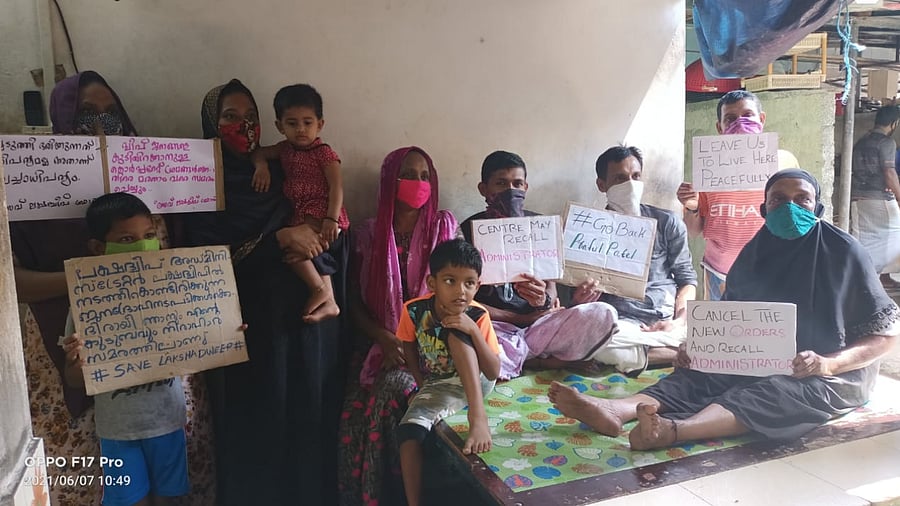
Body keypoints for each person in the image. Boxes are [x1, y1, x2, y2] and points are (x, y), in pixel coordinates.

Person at [550, 169, 900, 451]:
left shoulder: (844, 252)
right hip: (761, 359)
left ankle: (674, 430)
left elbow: (887, 337)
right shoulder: (753, 255)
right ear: (764, 209)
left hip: (831, 371)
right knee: (699, 374)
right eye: (779, 200)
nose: (790, 208)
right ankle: (616, 409)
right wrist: (701, 347)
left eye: (802, 200)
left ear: (818, 208)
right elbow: (732, 324)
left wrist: (829, 363)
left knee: (774, 392)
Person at [9, 71, 214, 506]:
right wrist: (95, 278)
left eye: (111, 113)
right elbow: (13, 281)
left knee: (171, 478)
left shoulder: (152, 179)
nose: (102, 125)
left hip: (158, 370)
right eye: (86, 114)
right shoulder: (29, 186)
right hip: (69, 349)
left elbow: (178, 268)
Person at [187, 79, 348, 505]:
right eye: (230, 117)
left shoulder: (284, 170)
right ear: (211, 123)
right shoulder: (199, 180)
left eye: (250, 118)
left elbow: (326, 225)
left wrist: (320, 270)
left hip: (307, 330)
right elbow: (201, 259)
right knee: (262, 426)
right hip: (251, 331)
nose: (243, 126)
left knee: (308, 424)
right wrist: (277, 239)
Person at [338, 147, 458, 506]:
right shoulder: (367, 234)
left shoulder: (443, 227)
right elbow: (352, 301)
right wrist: (384, 337)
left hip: (433, 343)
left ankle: (393, 497)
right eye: (408, 174)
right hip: (380, 341)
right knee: (352, 418)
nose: (418, 183)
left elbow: (459, 293)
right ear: (390, 180)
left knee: (390, 393)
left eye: (425, 176)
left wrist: (414, 342)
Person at [62, 193, 191, 506]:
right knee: (129, 501)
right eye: (127, 239)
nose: (144, 245)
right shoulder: (86, 305)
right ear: (98, 248)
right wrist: (76, 363)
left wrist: (224, 330)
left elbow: (201, 342)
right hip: (118, 431)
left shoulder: (173, 292)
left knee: (170, 499)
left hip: (168, 421)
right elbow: (74, 380)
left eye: (149, 235)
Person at [460, 150, 617, 378]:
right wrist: (520, 319)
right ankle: (542, 361)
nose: (510, 191)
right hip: (495, 327)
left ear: (525, 187)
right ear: (483, 189)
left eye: (517, 184)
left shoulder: (540, 226)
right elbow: (465, 301)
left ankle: (521, 356)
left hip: (539, 327)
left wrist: (542, 301)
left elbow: (551, 296)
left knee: (603, 314)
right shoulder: (467, 231)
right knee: (464, 335)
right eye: (501, 184)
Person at [574, 145, 698, 374]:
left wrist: (679, 320)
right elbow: (581, 297)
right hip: (620, 322)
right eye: (620, 178)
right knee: (590, 340)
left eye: (636, 176)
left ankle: (646, 353)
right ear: (602, 185)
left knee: (715, 331)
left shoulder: (667, 222)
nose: (630, 184)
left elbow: (687, 279)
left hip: (665, 318)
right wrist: (582, 299)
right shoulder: (587, 230)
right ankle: (679, 353)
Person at [396, 238, 501, 506]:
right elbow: (408, 347)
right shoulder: (414, 310)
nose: (460, 291)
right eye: (450, 281)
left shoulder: (478, 315)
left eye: (469, 283)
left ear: (477, 286)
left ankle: (478, 417)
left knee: (456, 332)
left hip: (477, 381)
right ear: (432, 283)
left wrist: (473, 330)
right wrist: (421, 384)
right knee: (409, 433)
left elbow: (493, 371)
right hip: (439, 384)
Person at [251, 83, 347, 321]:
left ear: (320, 124)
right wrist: (261, 167)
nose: (301, 129)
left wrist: (331, 218)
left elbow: (336, 186)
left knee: (296, 253)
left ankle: (321, 290)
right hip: (301, 217)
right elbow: (259, 153)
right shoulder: (284, 149)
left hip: (324, 216)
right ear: (279, 126)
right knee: (299, 251)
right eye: (292, 123)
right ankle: (329, 300)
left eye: (307, 122)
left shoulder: (324, 153)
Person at [677, 90, 767, 301]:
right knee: (720, 323)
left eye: (748, 115)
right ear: (720, 127)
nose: (740, 123)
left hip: (766, 272)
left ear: (761, 119)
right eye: (731, 119)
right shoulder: (709, 171)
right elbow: (693, 231)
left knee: (763, 323)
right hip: (718, 274)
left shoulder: (781, 165)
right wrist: (691, 206)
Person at [850, 105, 900, 290]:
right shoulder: (887, 143)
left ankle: (863, 274)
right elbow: (889, 172)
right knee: (895, 235)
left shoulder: (861, 141)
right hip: (879, 198)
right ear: (894, 123)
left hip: (858, 197)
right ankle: (884, 276)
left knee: (864, 238)